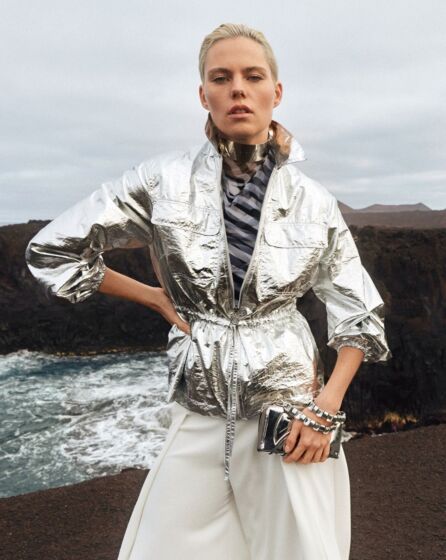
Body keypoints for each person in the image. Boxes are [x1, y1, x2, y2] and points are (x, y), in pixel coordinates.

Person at [25, 22, 391, 560]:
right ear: (204, 94)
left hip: (288, 417)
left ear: (276, 92)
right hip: (197, 412)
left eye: (253, 76)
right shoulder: (161, 182)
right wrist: (151, 295)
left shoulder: (313, 202)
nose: (237, 88)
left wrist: (326, 409)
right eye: (221, 78)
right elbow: (53, 250)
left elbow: (359, 313)